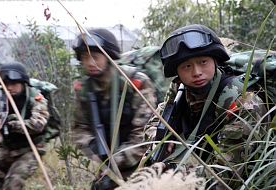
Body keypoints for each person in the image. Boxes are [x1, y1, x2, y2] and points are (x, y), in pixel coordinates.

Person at [144, 24, 269, 189]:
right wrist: (160, 140)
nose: (196, 72)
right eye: (186, 66)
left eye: (203, 62)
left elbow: (227, 174)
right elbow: (154, 122)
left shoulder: (242, 101)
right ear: (178, 72)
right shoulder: (179, 89)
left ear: (215, 60)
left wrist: (171, 176)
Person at [71, 28, 157, 189]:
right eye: (84, 57)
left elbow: (145, 135)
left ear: (108, 55)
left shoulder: (135, 83)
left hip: (143, 161)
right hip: (108, 165)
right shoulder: (84, 89)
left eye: (95, 57)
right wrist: (94, 148)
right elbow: (79, 129)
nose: (90, 63)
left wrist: (116, 160)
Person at [0, 62, 50, 190]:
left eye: (14, 84)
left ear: (23, 83)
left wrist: (14, 124)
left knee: (13, 183)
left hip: (30, 149)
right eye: (6, 84)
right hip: (7, 148)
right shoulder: (0, 97)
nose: (9, 88)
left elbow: (38, 124)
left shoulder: (35, 98)